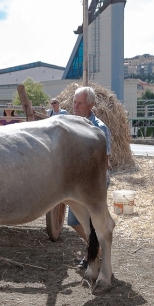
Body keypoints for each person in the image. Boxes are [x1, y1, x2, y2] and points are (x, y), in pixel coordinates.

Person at [67, 86, 111, 268]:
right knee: (74, 221)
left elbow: (105, 160)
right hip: (76, 183)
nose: (75, 107)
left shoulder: (99, 128)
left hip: (94, 183)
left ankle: (93, 256)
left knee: (93, 223)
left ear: (91, 105)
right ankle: (95, 250)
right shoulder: (70, 125)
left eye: (80, 103)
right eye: (74, 102)